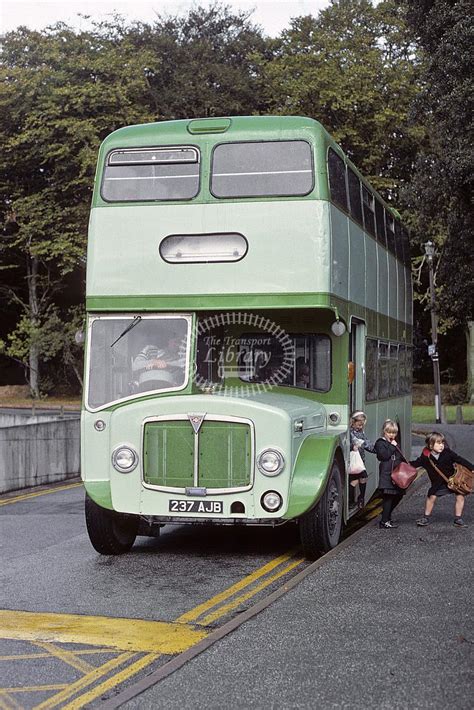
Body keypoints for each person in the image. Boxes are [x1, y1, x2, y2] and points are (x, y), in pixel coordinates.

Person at [411, 431, 473, 528]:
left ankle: (458, 519)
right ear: (431, 445)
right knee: (432, 496)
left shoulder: (447, 453)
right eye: (438, 443)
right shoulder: (426, 457)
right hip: (438, 483)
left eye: (443, 443)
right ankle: (426, 517)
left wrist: (472, 468)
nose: (441, 445)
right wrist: (404, 464)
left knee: (460, 495)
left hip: (452, 480)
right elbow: (416, 463)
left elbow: (460, 459)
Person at [374, 419, 406, 529]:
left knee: (399, 495)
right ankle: (384, 521)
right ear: (384, 431)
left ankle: (386, 516)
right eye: (389, 432)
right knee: (388, 497)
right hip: (386, 474)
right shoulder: (380, 443)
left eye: (394, 433)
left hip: (396, 474)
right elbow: (383, 456)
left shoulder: (394, 443)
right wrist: (392, 446)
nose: (392, 435)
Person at [349, 411, 375, 509]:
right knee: (357, 479)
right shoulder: (350, 433)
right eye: (359, 425)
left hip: (360, 460)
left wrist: (376, 449)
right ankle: (356, 499)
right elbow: (359, 443)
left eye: (362, 425)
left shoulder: (361, 432)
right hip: (353, 461)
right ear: (353, 422)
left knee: (358, 479)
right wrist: (353, 446)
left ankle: (359, 499)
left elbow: (367, 443)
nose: (360, 427)